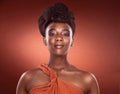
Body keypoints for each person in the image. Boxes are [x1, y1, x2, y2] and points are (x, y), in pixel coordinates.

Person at [16, 2, 100, 94]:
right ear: (45, 40)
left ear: (72, 41)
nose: (59, 38)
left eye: (65, 34)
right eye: (52, 33)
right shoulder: (28, 78)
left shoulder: (87, 80)